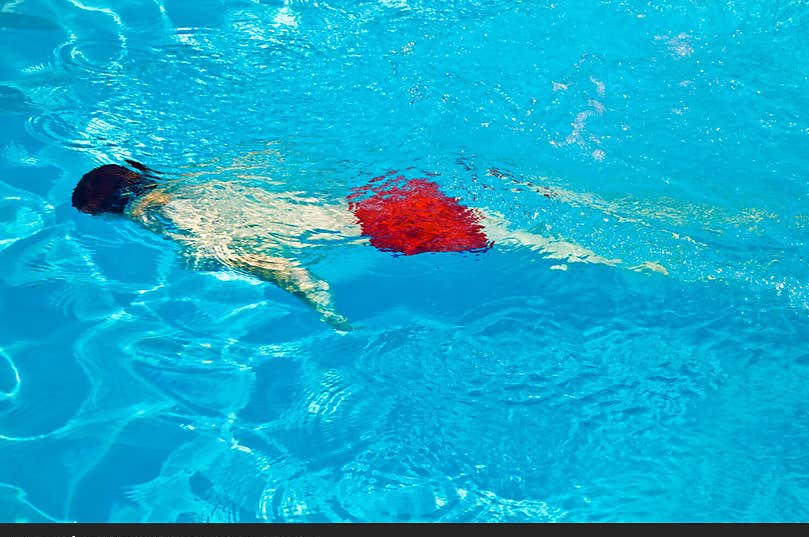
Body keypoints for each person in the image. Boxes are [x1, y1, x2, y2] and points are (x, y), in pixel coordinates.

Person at [71, 159, 644, 330]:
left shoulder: (160, 216)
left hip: (385, 227)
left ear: (114, 208)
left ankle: (670, 264)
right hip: (374, 197)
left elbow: (261, 261)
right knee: (553, 217)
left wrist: (317, 299)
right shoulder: (193, 182)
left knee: (556, 248)